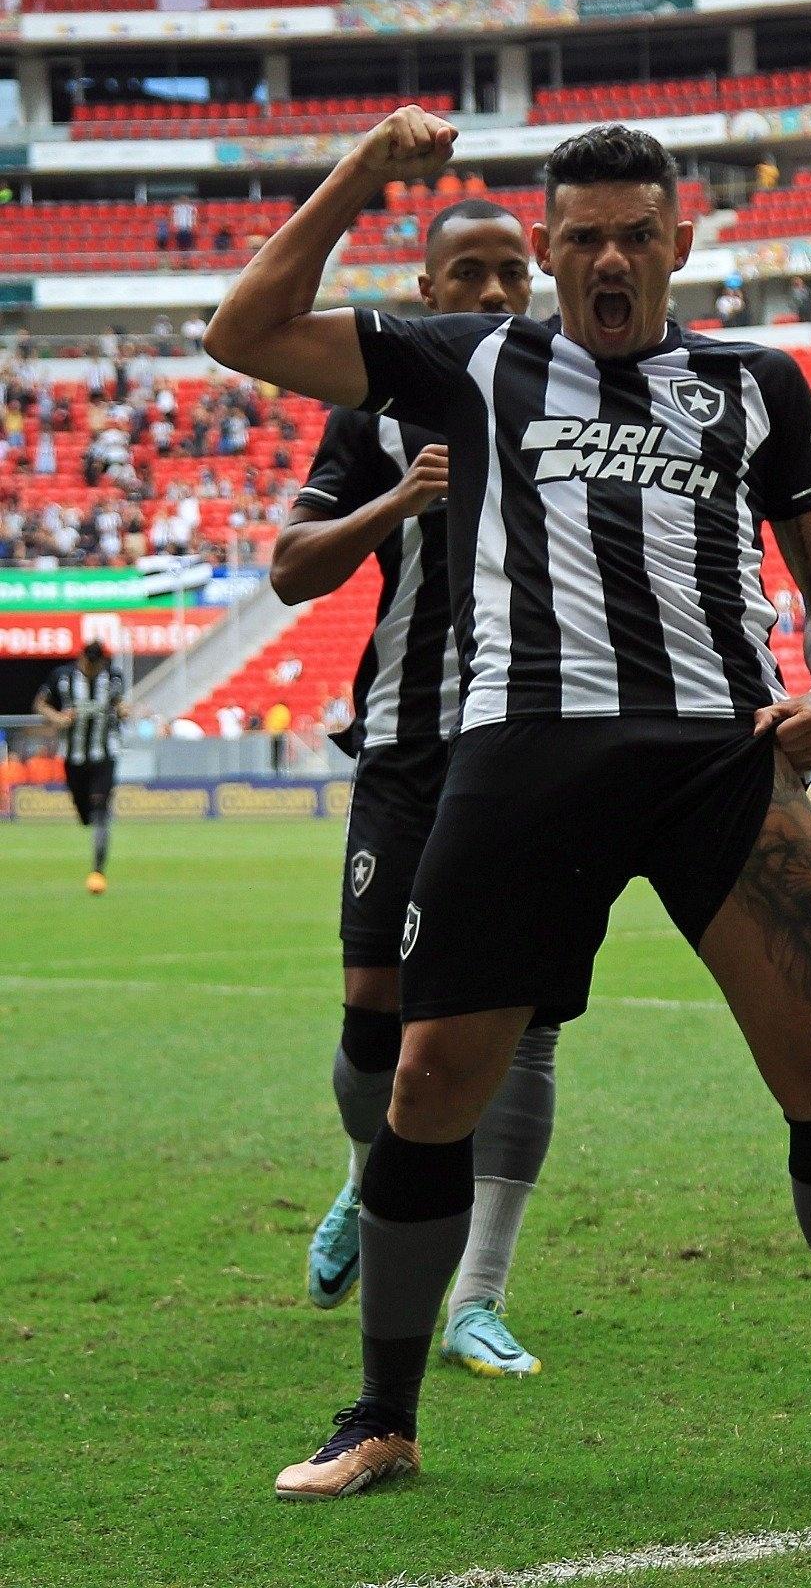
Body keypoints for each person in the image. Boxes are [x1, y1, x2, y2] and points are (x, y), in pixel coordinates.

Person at [205, 109, 811, 1502]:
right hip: (520, 756)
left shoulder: (756, 383)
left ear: (680, 241)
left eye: (637, 235)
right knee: (426, 1083)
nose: (609, 262)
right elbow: (245, 329)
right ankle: (381, 1418)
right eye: (579, 240)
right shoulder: (471, 358)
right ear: (544, 251)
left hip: (715, 758)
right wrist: (362, 177)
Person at [272, 199, 555, 1378]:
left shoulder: (577, 401)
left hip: (537, 748)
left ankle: (477, 1295)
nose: (493, 294)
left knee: (525, 1028)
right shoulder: (372, 418)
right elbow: (291, 569)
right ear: (426, 292)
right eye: (469, 275)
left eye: (511, 274)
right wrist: (397, 502)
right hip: (404, 741)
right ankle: (367, 1173)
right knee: (370, 1024)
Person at [33, 639, 128, 893]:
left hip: (103, 756)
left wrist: (122, 710)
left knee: (100, 813)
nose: (96, 669)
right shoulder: (61, 677)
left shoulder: (112, 677)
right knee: (84, 815)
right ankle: (92, 814)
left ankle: (98, 870)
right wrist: (58, 718)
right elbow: (40, 703)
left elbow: (118, 702)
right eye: (92, 664)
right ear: (83, 659)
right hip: (73, 758)